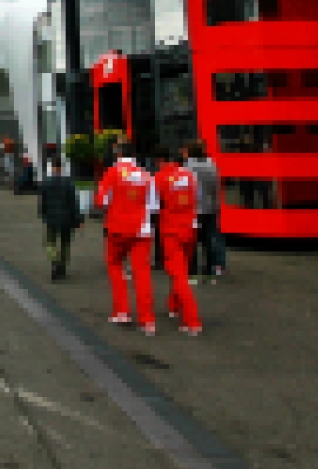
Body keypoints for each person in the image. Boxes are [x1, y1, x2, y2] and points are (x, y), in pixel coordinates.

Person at [96, 141, 158, 336]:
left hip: (117, 229)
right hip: (142, 230)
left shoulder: (112, 173)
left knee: (115, 266)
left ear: (118, 153)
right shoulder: (147, 175)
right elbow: (154, 206)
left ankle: (122, 311)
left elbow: (102, 201)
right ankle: (147, 320)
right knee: (142, 273)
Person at [154, 146, 202, 336]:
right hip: (190, 228)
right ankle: (174, 305)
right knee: (181, 269)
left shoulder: (160, 178)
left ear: (162, 161)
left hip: (171, 230)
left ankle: (192, 321)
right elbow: (197, 200)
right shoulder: (190, 176)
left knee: (179, 274)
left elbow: (153, 204)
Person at [37, 156, 83, 280]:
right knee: (65, 244)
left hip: (52, 217)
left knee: (49, 242)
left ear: (52, 167)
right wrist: (79, 219)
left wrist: (42, 214)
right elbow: (74, 202)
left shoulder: (46, 182)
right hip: (67, 218)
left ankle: (54, 260)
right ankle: (62, 267)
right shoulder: (69, 183)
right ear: (61, 168)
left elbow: (43, 201)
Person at [185, 140, 224, 279]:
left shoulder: (188, 167)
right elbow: (216, 187)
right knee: (210, 239)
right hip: (210, 207)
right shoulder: (211, 166)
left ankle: (192, 267)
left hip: (194, 209)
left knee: (193, 240)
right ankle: (211, 266)